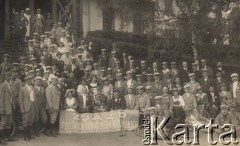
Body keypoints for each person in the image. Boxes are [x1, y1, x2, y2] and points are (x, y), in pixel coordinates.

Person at [18, 76, 36, 141]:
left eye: (30, 80)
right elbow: (20, 100)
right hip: (26, 107)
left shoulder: (33, 88)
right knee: (26, 121)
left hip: (32, 105)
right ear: (26, 81)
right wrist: (22, 109)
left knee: (31, 120)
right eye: (28, 80)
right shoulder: (22, 89)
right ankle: (25, 136)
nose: (30, 81)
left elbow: (34, 98)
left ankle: (29, 134)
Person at [0, 72, 13, 144]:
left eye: (10, 76)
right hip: (5, 108)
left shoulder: (9, 85)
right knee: (3, 123)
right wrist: (2, 109)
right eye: (8, 76)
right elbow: (1, 99)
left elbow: (10, 97)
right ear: (5, 77)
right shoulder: (3, 85)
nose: (9, 77)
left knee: (9, 122)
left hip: (9, 106)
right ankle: (1, 139)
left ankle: (8, 137)